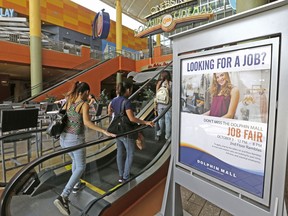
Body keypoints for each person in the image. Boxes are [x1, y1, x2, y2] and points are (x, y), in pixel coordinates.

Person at [53, 81, 115, 216]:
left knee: (75, 161)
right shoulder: (83, 104)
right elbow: (87, 123)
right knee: (81, 166)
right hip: (75, 139)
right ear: (86, 92)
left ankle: (76, 184)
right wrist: (104, 131)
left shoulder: (69, 100)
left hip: (63, 139)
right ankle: (63, 196)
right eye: (88, 93)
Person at [108, 81, 154, 183]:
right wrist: (145, 122)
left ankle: (121, 175)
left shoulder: (114, 100)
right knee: (130, 153)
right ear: (128, 90)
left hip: (118, 130)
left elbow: (110, 112)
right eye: (131, 89)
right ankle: (126, 176)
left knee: (119, 152)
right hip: (126, 131)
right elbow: (132, 119)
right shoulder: (126, 101)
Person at [155, 70, 172, 141]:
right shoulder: (171, 83)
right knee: (168, 121)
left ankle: (159, 133)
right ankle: (167, 136)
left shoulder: (159, 83)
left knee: (160, 120)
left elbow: (156, 94)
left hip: (159, 105)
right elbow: (172, 95)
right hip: (168, 105)